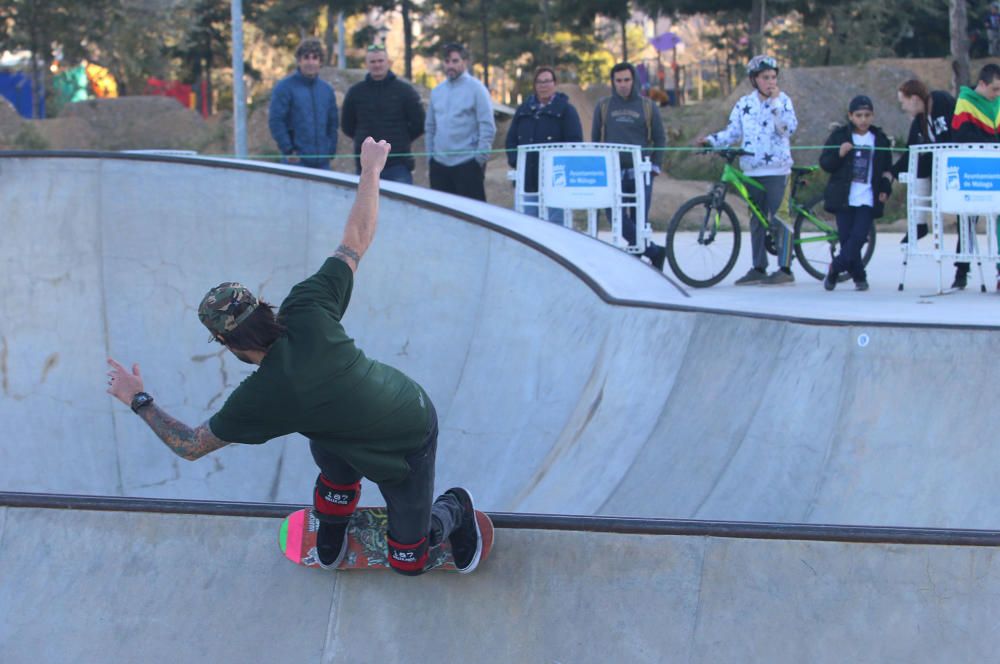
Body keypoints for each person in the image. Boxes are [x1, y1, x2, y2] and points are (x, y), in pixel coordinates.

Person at [105, 137, 483, 577]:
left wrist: (139, 399)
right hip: (361, 417)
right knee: (329, 453)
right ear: (261, 306)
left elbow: (191, 445)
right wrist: (370, 171)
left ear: (227, 345)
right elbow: (356, 239)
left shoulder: (263, 396)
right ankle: (336, 513)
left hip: (405, 436)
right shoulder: (307, 303)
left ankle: (453, 508)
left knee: (409, 559)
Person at [698, 55, 799, 286]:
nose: (770, 82)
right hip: (752, 171)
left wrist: (774, 104)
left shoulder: (783, 101)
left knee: (780, 216)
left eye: (773, 77)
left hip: (777, 169)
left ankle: (785, 268)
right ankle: (758, 267)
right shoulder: (744, 104)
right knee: (756, 218)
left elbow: (787, 129)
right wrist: (712, 141)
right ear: (754, 80)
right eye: (765, 78)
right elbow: (732, 133)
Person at [591, 62, 668, 270]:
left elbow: (660, 138)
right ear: (613, 82)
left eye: (626, 80)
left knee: (638, 218)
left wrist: (655, 166)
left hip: (640, 172)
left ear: (633, 80)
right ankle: (653, 251)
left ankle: (639, 259)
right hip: (612, 172)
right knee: (613, 215)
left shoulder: (647, 106)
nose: (623, 85)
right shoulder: (604, 106)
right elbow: (596, 139)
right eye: (618, 81)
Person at [819, 95, 893, 291]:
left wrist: (885, 188)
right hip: (845, 197)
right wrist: (840, 154)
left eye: (867, 115)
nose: (863, 120)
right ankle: (859, 277)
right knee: (846, 239)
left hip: (868, 197)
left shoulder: (880, 139)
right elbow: (825, 163)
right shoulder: (839, 136)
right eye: (859, 115)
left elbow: (888, 169)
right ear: (850, 116)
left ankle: (835, 267)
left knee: (859, 237)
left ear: (873, 116)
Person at [505, 66, 584, 223]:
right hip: (528, 179)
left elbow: (574, 142)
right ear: (534, 85)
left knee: (556, 224)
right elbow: (511, 140)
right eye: (539, 82)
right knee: (528, 224)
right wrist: (517, 162)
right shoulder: (523, 111)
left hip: (555, 181)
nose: (543, 85)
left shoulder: (566, 111)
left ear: (555, 84)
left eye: (547, 81)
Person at [340, 44, 425, 184]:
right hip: (365, 164)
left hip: (397, 164)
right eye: (373, 62)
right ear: (366, 64)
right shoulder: (355, 93)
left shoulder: (405, 91)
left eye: (380, 61)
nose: (377, 65)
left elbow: (419, 123)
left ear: (388, 63)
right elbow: (347, 126)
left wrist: (400, 140)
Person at [888, 79, 954, 256]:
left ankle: (962, 267)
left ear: (915, 98)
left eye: (904, 102)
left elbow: (955, 132)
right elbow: (909, 151)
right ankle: (919, 223)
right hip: (938, 163)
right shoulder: (919, 121)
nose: (903, 107)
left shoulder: (941, 101)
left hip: (955, 163)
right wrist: (890, 173)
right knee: (918, 164)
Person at [425, 43, 496, 201]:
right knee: (441, 217)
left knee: (472, 217)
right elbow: (430, 127)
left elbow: (487, 126)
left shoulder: (477, 89)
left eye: (455, 61)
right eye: (447, 61)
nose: (450, 65)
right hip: (439, 165)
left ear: (465, 62)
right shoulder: (437, 91)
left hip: (468, 164)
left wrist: (479, 159)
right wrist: (431, 157)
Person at [951, 63, 1000, 290]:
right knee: (967, 223)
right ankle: (961, 271)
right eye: (994, 89)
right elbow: (961, 136)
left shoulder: (997, 103)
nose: (997, 95)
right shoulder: (966, 103)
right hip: (973, 172)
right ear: (982, 84)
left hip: (995, 171)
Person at [268, 38, 339, 170]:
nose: (310, 62)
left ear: (320, 62)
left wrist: (331, 149)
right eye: (306, 57)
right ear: (299, 61)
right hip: (296, 162)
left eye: (315, 58)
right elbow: (276, 121)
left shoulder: (326, 90)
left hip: (323, 163)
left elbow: (332, 123)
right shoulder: (284, 88)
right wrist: (288, 149)